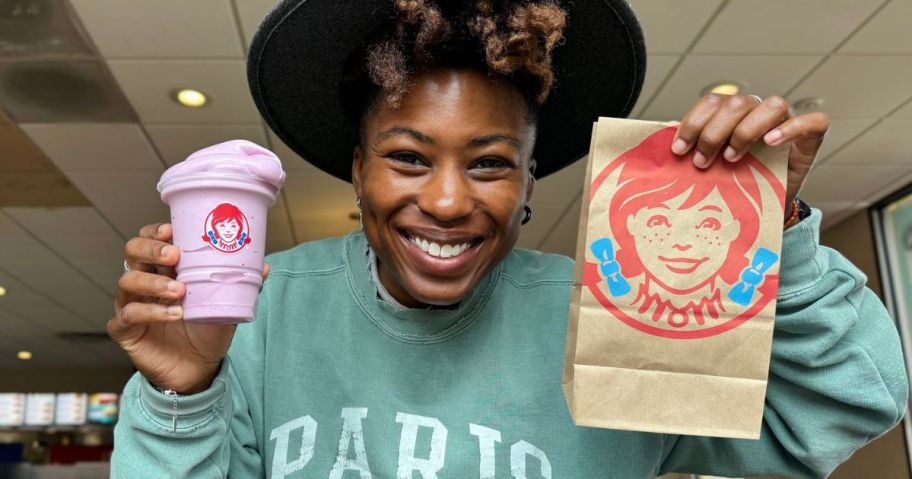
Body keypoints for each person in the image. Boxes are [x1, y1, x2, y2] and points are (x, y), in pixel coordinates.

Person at [108, 0, 908, 477]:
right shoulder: (257, 313)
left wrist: (777, 232)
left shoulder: (612, 308)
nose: (449, 199)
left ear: (530, 182)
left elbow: (847, 404)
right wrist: (184, 391)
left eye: (491, 163)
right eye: (408, 158)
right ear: (358, 171)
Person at [594, 126, 783, 330]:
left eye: (709, 224)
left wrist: (784, 215)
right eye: (658, 221)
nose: (681, 243)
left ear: (735, 229)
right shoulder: (572, 286)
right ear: (631, 224)